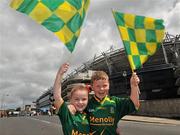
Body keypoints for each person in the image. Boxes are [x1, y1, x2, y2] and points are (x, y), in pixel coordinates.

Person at [69, 70, 140, 135]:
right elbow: (75, 107)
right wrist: (71, 107)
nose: (101, 89)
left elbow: (134, 104)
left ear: (109, 85)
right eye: (98, 86)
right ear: (92, 87)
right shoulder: (86, 104)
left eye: (105, 85)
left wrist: (134, 86)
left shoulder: (115, 102)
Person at [53, 63, 90, 135]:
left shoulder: (90, 114)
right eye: (76, 99)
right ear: (70, 100)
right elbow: (57, 97)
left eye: (84, 99)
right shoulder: (67, 114)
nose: (80, 102)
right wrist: (60, 74)